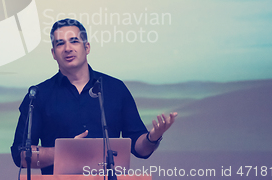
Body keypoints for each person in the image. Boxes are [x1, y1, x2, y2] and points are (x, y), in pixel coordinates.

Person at [10, 18, 177, 175]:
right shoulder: (38, 95)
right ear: (53, 53)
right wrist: (64, 151)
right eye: (60, 44)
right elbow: (21, 155)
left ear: (87, 47)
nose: (68, 48)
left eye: (74, 41)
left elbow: (140, 149)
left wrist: (152, 137)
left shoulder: (115, 89)